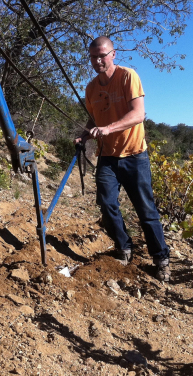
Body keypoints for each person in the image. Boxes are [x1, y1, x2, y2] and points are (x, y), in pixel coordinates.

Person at [74, 36, 171, 282]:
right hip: (107, 156)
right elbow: (94, 118)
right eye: (93, 57)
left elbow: (138, 114)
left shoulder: (128, 76)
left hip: (135, 154)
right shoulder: (91, 88)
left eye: (102, 55)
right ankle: (124, 247)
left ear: (113, 54)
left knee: (146, 209)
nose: (98, 61)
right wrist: (85, 135)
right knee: (107, 204)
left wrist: (108, 129)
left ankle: (161, 259)